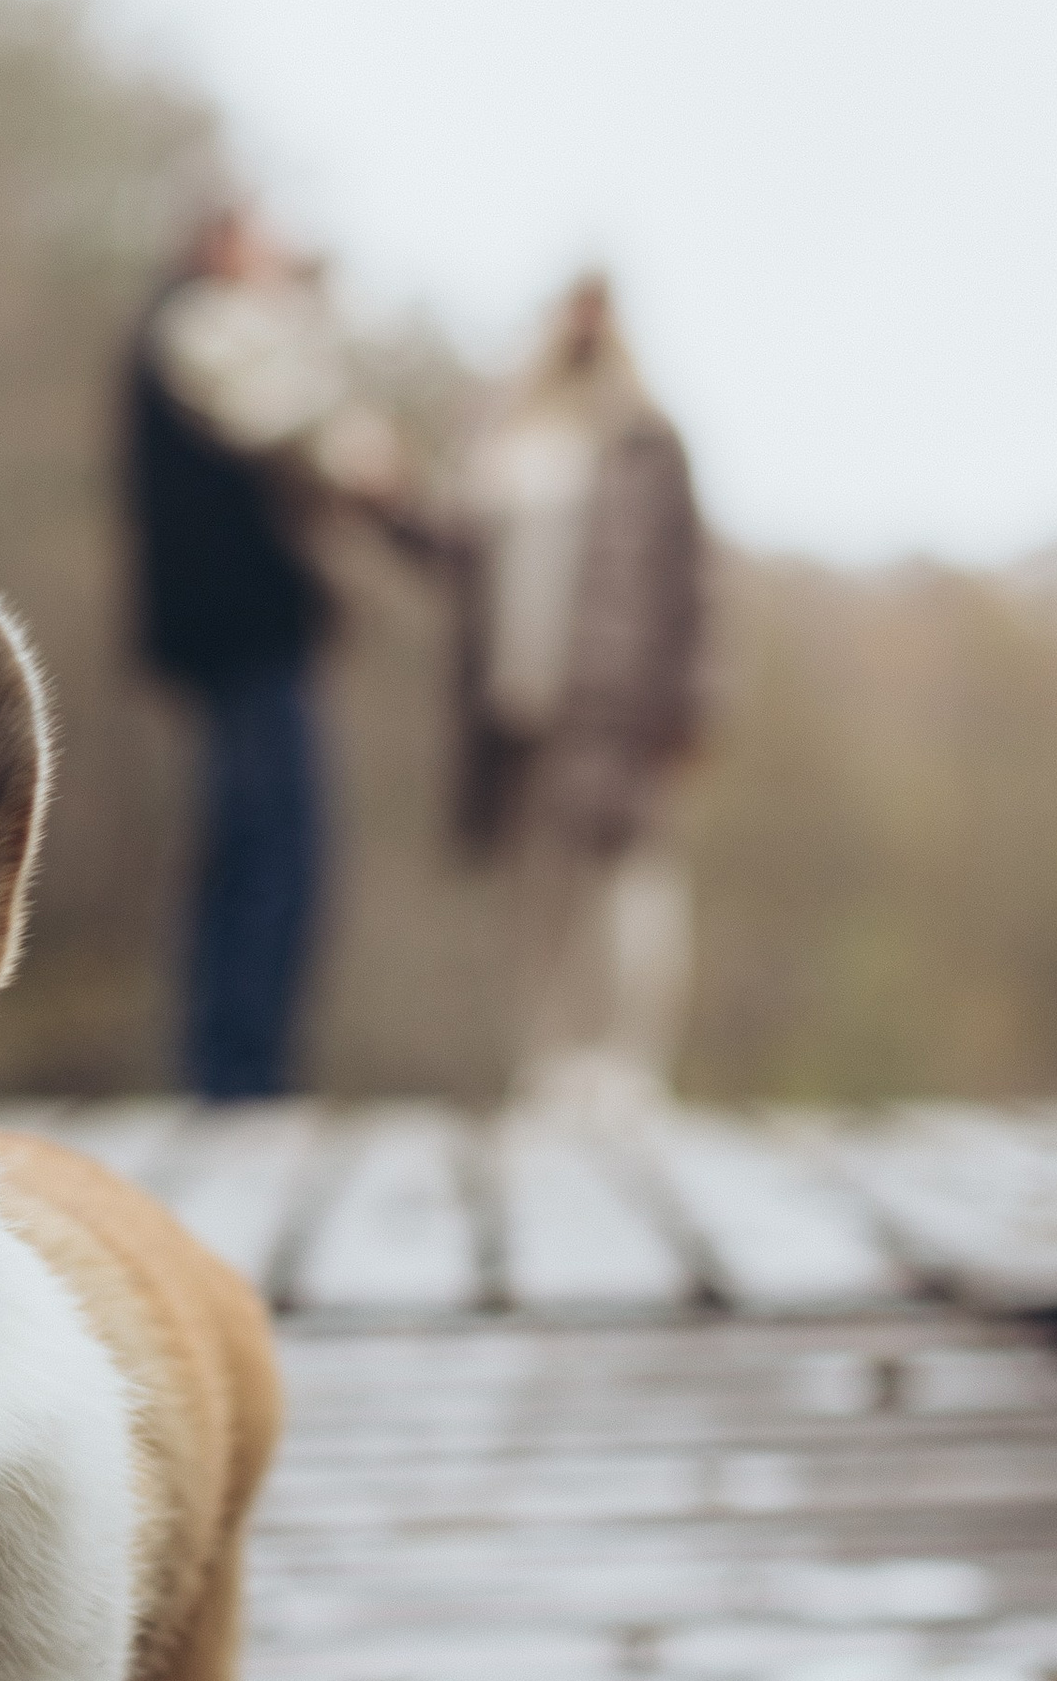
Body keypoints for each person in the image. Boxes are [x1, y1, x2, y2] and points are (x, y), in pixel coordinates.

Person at [126, 202, 393, 1102]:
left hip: (241, 633)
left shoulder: (198, 331)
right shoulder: (205, 330)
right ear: (222, 247)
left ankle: (241, 1063)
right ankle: (243, 1070)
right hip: (245, 633)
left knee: (257, 844)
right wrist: (310, 317)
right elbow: (283, 420)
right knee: (273, 847)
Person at [452, 271, 708, 1116]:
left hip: (617, 707)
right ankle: (546, 1063)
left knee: (629, 884)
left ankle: (631, 1062)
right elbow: (462, 553)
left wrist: (691, 702)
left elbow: (692, 579)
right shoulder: (510, 438)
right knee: (538, 892)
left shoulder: (647, 437)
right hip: (519, 709)